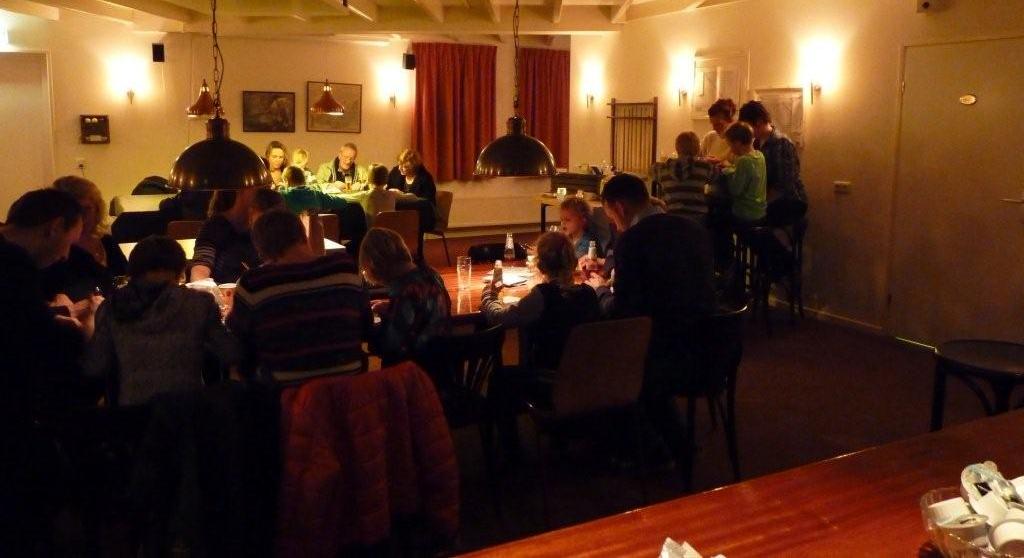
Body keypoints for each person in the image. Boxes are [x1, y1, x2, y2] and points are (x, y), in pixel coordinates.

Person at [583, 174, 716, 469]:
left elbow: (624, 312)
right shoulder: (693, 228)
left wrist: (599, 290)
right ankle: (672, 441)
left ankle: (633, 447)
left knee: (600, 356)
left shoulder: (633, 240)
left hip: (662, 349)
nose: (614, 225)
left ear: (620, 207)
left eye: (611, 217)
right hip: (710, 343)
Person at [0, 189, 98, 558]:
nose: (65, 256)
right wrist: (81, 330)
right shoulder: (13, 264)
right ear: (53, 228)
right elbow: (34, 342)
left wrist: (50, 317)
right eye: (68, 243)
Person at [84, 236, 241, 406]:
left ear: (133, 271)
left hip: (134, 412)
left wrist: (88, 325)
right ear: (180, 272)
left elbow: (95, 366)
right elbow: (230, 352)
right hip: (187, 410)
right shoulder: (199, 304)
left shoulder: (112, 306)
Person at [227, 209, 371, 383]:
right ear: (303, 235)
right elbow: (366, 326)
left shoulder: (254, 283)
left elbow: (236, 342)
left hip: (284, 392)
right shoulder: (345, 267)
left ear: (261, 250)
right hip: (348, 386)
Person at [359, 227, 450, 366]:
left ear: (375, 264)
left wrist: (369, 326)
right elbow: (423, 311)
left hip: (414, 370)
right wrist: (392, 308)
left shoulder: (405, 290)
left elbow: (390, 345)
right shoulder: (432, 275)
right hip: (441, 362)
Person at [43, 176, 129, 300]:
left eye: (86, 210)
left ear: (97, 209)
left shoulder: (107, 241)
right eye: (74, 211)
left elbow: (127, 277)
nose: (80, 218)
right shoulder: (55, 252)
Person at [738, 100, 808, 226]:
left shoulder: (782, 143)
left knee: (747, 221)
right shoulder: (755, 143)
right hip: (769, 199)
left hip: (789, 201)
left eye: (748, 127)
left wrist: (759, 204)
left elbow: (784, 185)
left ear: (759, 122)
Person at [190, 187, 261, 284]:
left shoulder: (265, 227)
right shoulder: (215, 227)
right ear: (240, 190)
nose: (265, 189)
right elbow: (199, 273)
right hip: (222, 291)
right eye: (258, 185)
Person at [651, 132, 718, 223]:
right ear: (697, 149)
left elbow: (651, 171)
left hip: (671, 216)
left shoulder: (662, 168)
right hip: (697, 217)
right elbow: (716, 176)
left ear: (677, 147)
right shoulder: (704, 167)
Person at [344, 164, 419, 227]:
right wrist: (400, 193)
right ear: (386, 178)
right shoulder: (392, 194)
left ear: (369, 179)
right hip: (390, 233)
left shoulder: (364, 195)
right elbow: (413, 197)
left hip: (372, 234)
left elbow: (344, 197)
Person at [700, 98, 738, 164]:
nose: (714, 128)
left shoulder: (739, 142)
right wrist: (704, 160)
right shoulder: (710, 137)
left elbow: (741, 167)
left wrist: (722, 163)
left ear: (730, 121)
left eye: (718, 124)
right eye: (712, 124)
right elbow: (698, 158)